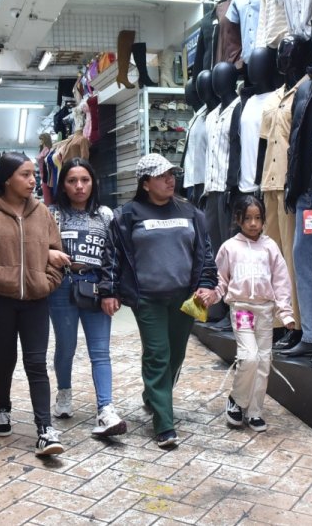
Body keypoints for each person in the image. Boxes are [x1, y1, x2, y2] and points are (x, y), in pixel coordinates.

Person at [100, 154, 217, 450]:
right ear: (145, 183)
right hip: (147, 299)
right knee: (157, 353)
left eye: (172, 174)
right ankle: (164, 424)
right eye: (162, 175)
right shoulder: (127, 214)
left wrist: (206, 284)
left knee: (175, 356)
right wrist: (110, 290)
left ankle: (153, 396)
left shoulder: (191, 212)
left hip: (186, 298)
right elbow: (113, 256)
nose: (170, 180)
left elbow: (204, 252)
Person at [0, 152, 69, 457]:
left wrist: (47, 282)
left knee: (36, 364)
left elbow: (56, 253)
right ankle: (2, 407)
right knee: (5, 359)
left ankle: (45, 430)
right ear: (7, 178)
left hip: (36, 301)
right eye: (25, 174)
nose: (33, 180)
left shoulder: (43, 213)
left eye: (34, 174)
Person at [46, 158, 126, 437]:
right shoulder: (51, 213)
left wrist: (111, 290)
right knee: (65, 346)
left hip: (96, 287)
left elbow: (114, 255)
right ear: (63, 185)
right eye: (72, 181)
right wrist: (48, 254)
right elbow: (36, 247)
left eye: (85, 180)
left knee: (100, 351)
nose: (79, 186)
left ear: (93, 182)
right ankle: (64, 393)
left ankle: (106, 409)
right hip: (61, 287)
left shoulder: (105, 214)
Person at [209, 195, 295, 433]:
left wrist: (285, 313)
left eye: (258, 218)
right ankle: (236, 400)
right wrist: (211, 297)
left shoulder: (270, 247)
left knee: (264, 360)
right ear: (238, 219)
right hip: (242, 309)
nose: (254, 223)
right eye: (248, 218)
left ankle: (255, 410)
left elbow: (281, 281)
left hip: (266, 311)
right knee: (249, 357)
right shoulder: (229, 247)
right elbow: (220, 280)